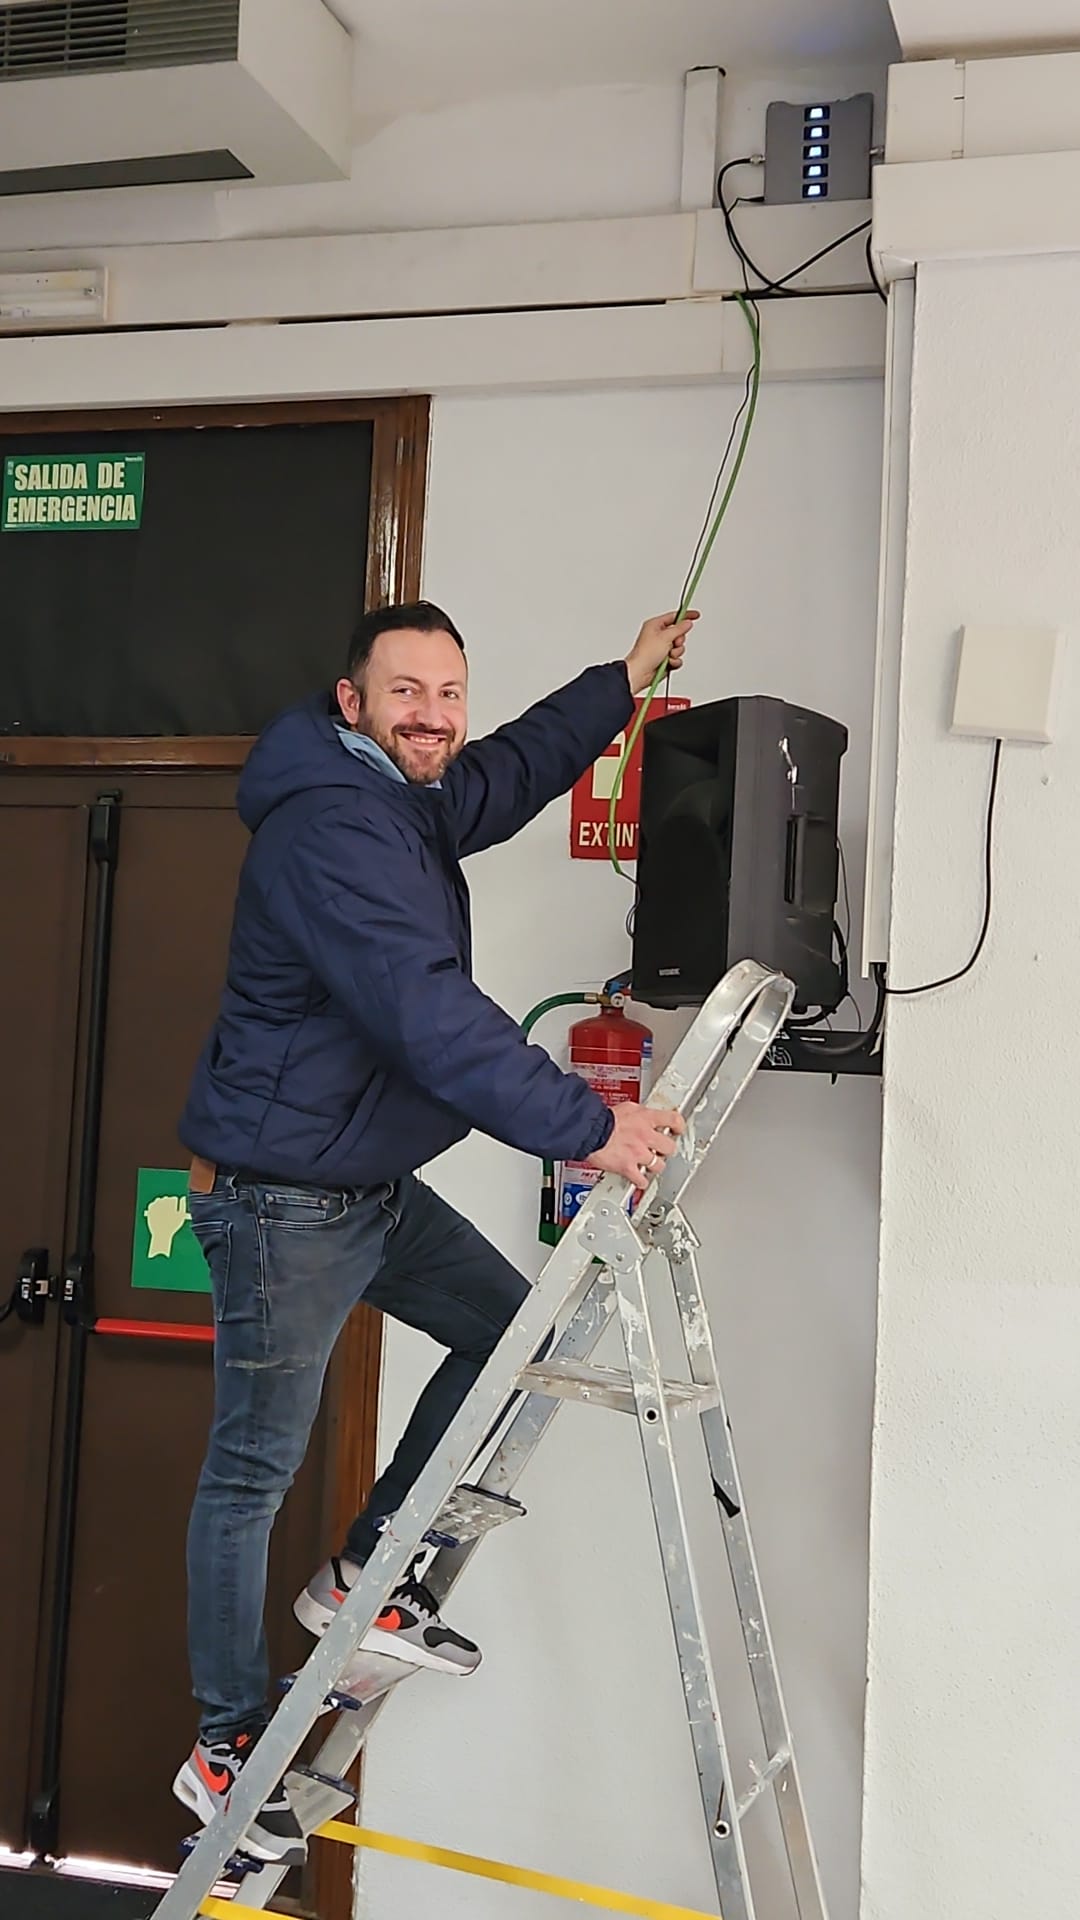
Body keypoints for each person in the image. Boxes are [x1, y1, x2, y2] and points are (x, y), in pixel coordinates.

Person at [171, 600, 694, 1863]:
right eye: (407, 692)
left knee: (507, 1332)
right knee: (251, 1472)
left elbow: (504, 774)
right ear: (351, 701)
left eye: (449, 693)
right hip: (280, 1198)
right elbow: (428, 1014)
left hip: (359, 1184)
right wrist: (588, 1123)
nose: (435, 717)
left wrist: (620, 681)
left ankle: (363, 1574)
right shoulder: (332, 830)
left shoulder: (401, 794)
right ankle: (224, 1743)